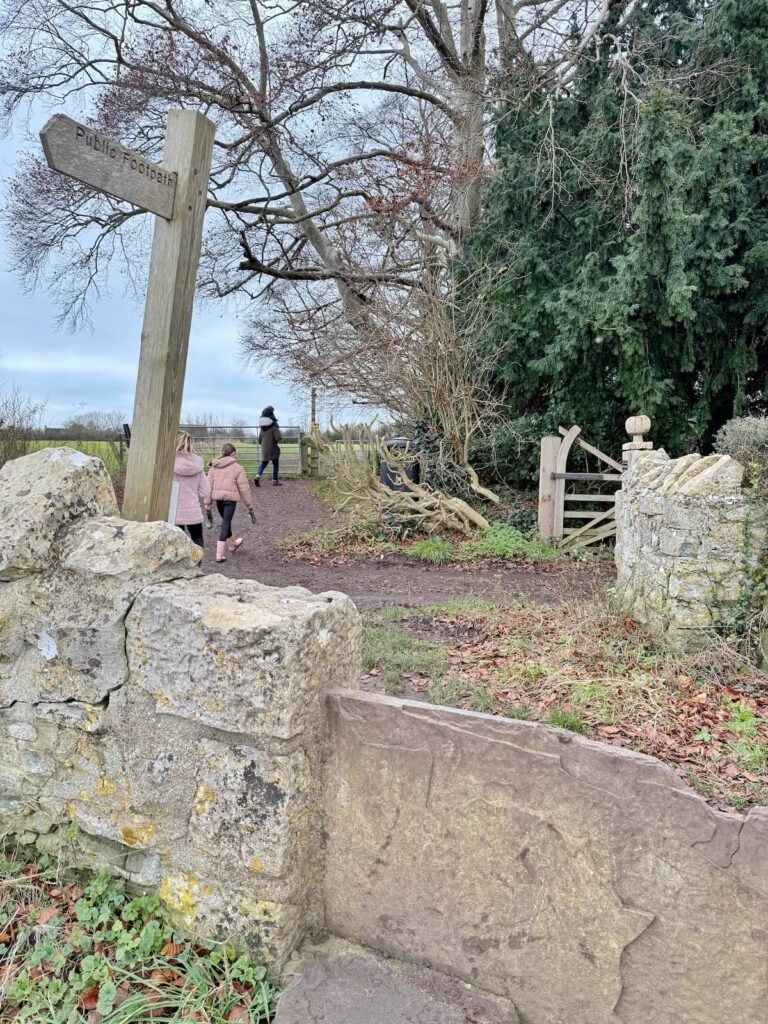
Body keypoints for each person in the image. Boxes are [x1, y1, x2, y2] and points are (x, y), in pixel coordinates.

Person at [206, 443, 255, 563]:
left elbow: (208, 487)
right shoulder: (238, 468)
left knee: (226, 522)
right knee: (225, 523)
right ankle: (219, 554)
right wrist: (249, 506)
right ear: (233, 454)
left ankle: (232, 544)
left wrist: (208, 503)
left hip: (219, 500)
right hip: (230, 501)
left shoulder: (214, 467)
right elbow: (244, 489)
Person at [173, 431, 210, 550]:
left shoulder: (168, 463)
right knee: (197, 541)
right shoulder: (198, 464)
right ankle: (197, 565)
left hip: (174, 511)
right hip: (193, 511)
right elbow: (205, 491)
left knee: (176, 546)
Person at [255, 405, 282, 486]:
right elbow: (278, 438)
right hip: (273, 449)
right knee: (275, 464)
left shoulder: (262, 428)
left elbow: (259, 440)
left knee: (263, 464)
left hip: (264, 449)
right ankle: (274, 480)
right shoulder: (274, 427)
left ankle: (257, 476)